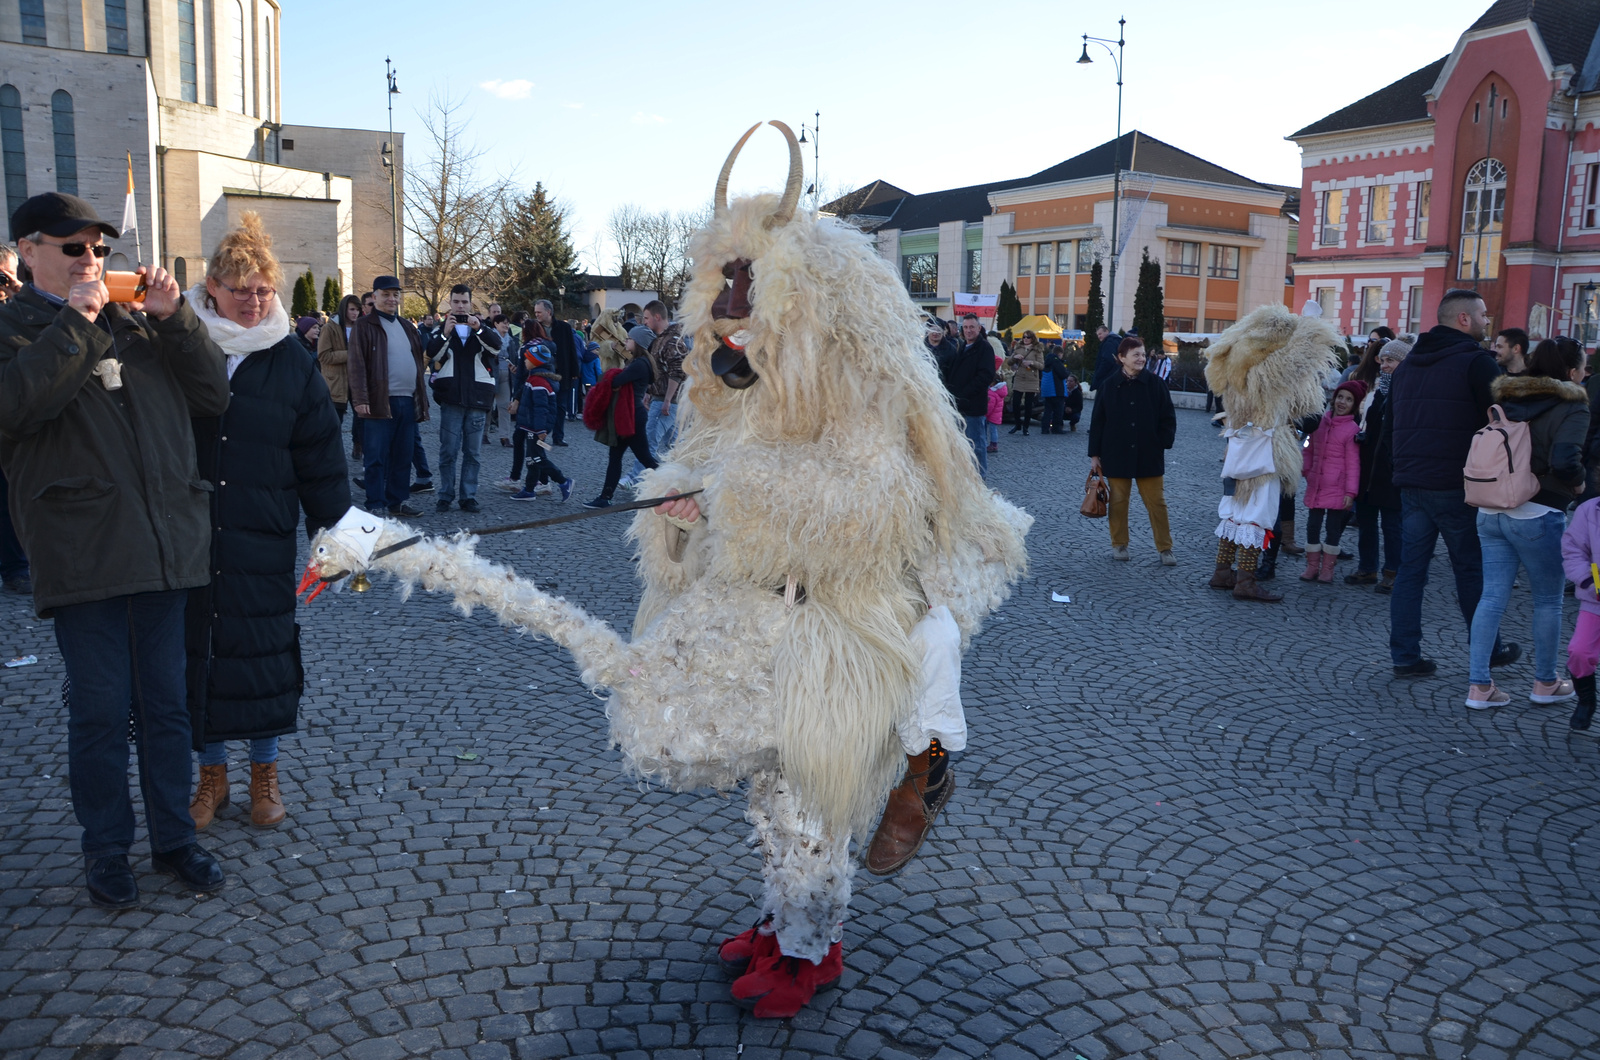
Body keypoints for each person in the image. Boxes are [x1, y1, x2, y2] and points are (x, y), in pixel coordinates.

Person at [1, 190, 229, 907]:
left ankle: (174, 839)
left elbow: (215, 396)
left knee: (165, 706)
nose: (91, 260)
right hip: (85, 547)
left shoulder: (137, 323)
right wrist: (77, 320)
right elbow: (17, 407)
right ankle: (105, 847)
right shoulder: (16, 328)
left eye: (99, 248)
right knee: (100, 708)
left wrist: (180, 320)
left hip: (164, 543)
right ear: (27, 251)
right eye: (73, 248)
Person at [183, 212, 350, 831]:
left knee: (263, 655)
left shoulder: (289, 360)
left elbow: (323, 460)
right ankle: (211, 776)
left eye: (262, 289)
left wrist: (344, 540)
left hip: (264, 533)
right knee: (197, 652)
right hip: (193, 534)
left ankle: (263, 772)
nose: (252, 301)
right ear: (212, 290)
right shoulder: (185, 347)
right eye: (239, 289)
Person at [1389, 289, 1518, 678]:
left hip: (1411, 481)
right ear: (1463, 319)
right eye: (1481, 315)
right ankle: (1489, 650)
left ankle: (1405, 656)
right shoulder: (1476, 363)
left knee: (1410, 571)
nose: (1486, 322)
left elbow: (1392, 424)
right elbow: (1505, 420)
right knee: (1470, 568)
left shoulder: (1408, 366)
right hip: (1458, 483)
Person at [1465, 337, 1589, 709]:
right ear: (1571, 372)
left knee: (1491, 597)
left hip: (1490, 509)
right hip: (1538, 511)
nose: (1585, 374)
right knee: (1548, 602)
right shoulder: (1573, 405)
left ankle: (1479, 687)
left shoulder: (1509, 397)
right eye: (1583, 367)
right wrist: (1579, 482)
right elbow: (1566, 460)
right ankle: (1545, 683)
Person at [1206, 305, 1336, 603]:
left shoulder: (1233, 368)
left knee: (1234, 512)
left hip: (1239, 450)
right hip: (1265, 452)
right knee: (1257, 516)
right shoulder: (1265, 371)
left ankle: (1223, 572)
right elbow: (1301, 357)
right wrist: (1310, 322)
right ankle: (1246, 581)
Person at [1088, 337, 1177, 565]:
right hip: (1117, 453)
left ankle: (1165, 548)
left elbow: (1168, 418)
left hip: (1149, 453)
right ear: (1122, 358)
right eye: (1136, 354)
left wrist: (1161, 443)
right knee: (1118, 502)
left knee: (1156, 502)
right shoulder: (1108, 385)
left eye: (1143, 354)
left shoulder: (1156, 385)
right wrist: (1095, 456)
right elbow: (1097, 422)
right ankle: (1119, 545)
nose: (1141, 359)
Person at [348, 275, 428, 517]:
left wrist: (421, 401)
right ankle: (375, 503)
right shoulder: (364, 326)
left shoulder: (407, 327)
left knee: (403, 455)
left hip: (406, 400)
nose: (391, 299)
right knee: (375, 457)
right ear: (374, 297)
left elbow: (417, 362)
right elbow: (356, 365)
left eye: (395, 294)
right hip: (377, 401)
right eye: (385, 294)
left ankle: (397, 501)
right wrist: (360, 399)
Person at [424, 284, 500, 514]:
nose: (460, 306)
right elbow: (432, 354)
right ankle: (445, 495)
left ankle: (468, 497)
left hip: (477, 398)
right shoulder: (441, 329)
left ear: (470, 303)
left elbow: (496, 348)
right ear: (450, 303)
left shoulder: (481, 327)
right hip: (451, 399)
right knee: (448, 451)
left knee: (473, 453)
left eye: (464, 302)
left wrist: (479, 329)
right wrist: (445, 333)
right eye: (456, 302)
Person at [1349, 338, 1410, 592]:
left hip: (1391, 470)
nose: (1384, 365)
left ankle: (1393, 572)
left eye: (1390, 360)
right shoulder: (1380, 392)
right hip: (1368, 467)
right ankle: (1368, 568)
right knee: (1366, 522)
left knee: (1392, 526)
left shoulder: (1409, 393)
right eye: (1382, 360)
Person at [582, 325, 658, 508]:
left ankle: (675, 485)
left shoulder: (640, 364)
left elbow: (615, 381)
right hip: (629, 415)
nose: (626, 341)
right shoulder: (640, 361)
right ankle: (604, 497)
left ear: (638, 342)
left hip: (631, 416)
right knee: (617, 457)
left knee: (645, 458)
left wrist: (612, 380)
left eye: (630, 339)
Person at [1299, 380, 1366, 582]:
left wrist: (1350, 492)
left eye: (1348, 399)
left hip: (1338, 487)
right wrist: (1306, 470)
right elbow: (1308, 448)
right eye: (1340, 397)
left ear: (1354, 405)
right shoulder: (1319, 422)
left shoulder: (1352, 429)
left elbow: (1354, 464)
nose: (1342, 402)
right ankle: (1312, 566)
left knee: (1333, 529)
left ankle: (1328, 568)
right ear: (1334, 398)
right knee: (1313, 525)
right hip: (1317, 483)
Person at [508, 341, 574, 502]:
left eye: (528, 359)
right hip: (532, 425)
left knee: (537, 458)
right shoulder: (535, 378)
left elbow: (540, 408)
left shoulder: (538, 382)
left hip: (536, 428)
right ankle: (529, 489)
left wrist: (540, 430)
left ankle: (564, 481)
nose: (524, 361)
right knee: (532, 458)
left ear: (536, 362)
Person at [939, 315, 997, 478]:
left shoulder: (984, 348)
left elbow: (985, 376)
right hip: (959, 406)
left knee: (976, 446)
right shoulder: (963, 346)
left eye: (972, 327)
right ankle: (966, 480)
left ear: (979, 328)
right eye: (965, 327)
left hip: (973, 407)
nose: (969, 330)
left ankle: (979, 481)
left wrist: (964, 394)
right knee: (961, 446)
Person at [1562, 493, 1600, 733]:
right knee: (1579, 652)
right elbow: (1574, 549)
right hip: (1596, 600)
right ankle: (1586, 701)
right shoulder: (1590, 510)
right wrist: (1587, 580)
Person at [319, 294, 364, 459]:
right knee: (335, 421)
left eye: (358, 309)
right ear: (344, 309)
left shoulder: (361, 327)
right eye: (352, 309)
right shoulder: (329, 328)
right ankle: (332, 453)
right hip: (336, 381)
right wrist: (350, 354)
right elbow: (324, 356)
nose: (355, 313)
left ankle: (358, 445)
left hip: (358, 379)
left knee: (362, 418)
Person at [534, 299, 580, 442]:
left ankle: (558, 436)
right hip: (541, 373)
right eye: (535, 312)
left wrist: (574, 372)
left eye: (539, 312)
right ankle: (540, 435)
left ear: (548, 312)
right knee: (543, 406)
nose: (537, 315)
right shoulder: (535, 328)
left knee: (561, 406)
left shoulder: (564, 328)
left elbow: (572, 350)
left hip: (561, 373)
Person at [1005, 330, 1042, 435]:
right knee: (1015, 403)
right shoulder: (1018, 348)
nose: (1025, 339)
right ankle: (1018, 424)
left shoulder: (1037, 350)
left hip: (1031, 378)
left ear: (1032, 338)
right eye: (1024, 337)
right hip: (1020, 377)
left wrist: (1031, 362)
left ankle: (1026, 427)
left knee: (1028, 404)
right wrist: (1014, 357)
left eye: (1028, 337)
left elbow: (1042, 365)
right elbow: (1009, 362)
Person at [1039, 344, 1066, 433]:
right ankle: (1056, 428)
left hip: (1047, 390)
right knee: (1058, 411)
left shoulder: (1047, 361)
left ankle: (1045, 428)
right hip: (1056, 389)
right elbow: (1063, 374)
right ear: (1060, 353)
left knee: (1047, 411)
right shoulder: (1056, 361)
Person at [985, 359, 1007, 453]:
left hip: (991, 415)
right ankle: (994, 444)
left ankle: (991, 444)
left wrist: (985, 414)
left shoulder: (992, 393)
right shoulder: (1000, 391)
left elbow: (990, 406)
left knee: (989, 430)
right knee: (994, 430)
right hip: (996, 415)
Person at [1092, 324, 1119, 390]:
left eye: (1100, 334)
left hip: (1106, 378)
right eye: (1098, 335)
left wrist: (1098, 374)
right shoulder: (1115, 341)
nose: (1099, 336)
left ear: (1106, 331)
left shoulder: (1108, 343)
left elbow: (1108, 360)